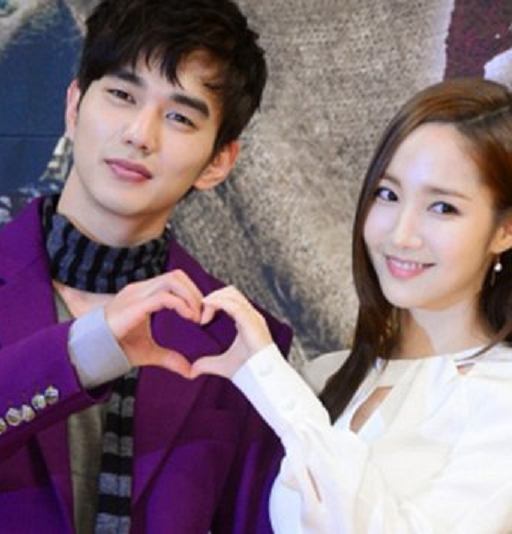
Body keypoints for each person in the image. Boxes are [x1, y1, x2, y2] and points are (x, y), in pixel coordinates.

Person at [0, 0, 292, 532]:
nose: (140, 133)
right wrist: (84, 351)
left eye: (180, 117)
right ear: (74, 105)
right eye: (121, 95)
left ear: (218, 161)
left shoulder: (238, 337)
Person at [187, 77, 512, 532]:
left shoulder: (501, 396)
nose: (401, 233)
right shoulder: (327, 377)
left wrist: (275, 387)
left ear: (505, 230)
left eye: (442, 208)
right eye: (388, 194)